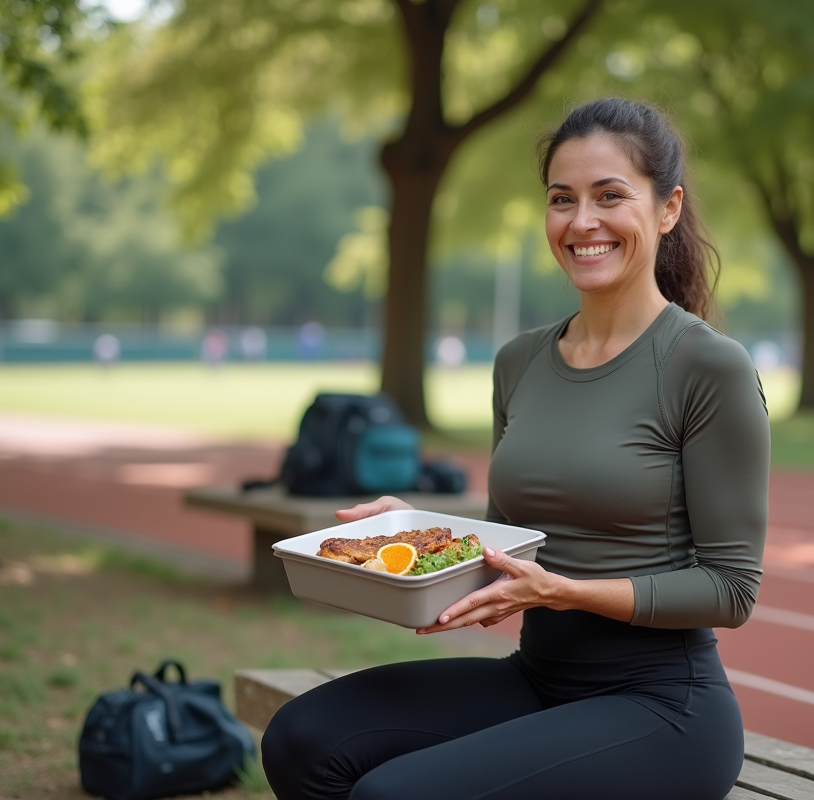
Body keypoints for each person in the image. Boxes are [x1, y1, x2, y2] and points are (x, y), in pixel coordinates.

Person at [261, 97, 770, 800]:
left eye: (610, 196)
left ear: (667, 209)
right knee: (300, 741)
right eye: (563, 199)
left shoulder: (708, 366)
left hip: (664, 708)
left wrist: (565, 592)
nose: (582, 221)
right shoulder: (520, 361)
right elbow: (510, 545)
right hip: (539, 679)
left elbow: (731, 588)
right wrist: (414, 534)